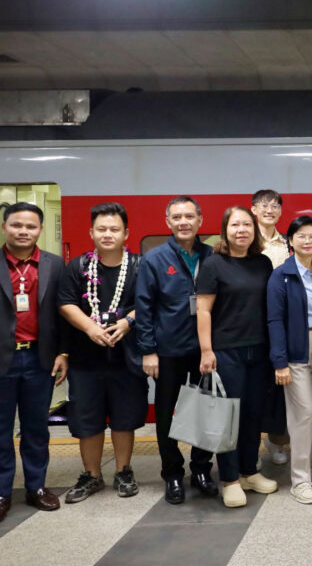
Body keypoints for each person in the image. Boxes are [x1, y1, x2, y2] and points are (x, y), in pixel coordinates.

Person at [0, 202, 66, 524]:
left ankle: (36, 487)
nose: (23, 231)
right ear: (5, 227)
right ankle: (0, 493)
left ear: (40, 230)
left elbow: (62, 315)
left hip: (39, 359)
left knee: (36, 431)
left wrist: (64, 353)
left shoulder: (54, 265)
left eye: (31, 226)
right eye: (17, 225)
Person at [59, 202, 146, 504]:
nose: (108, 234)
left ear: (126, 233)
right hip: (86, 358)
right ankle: (91, 475)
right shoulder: (78, 267)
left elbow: (149, 302)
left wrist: (128, 322)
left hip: (126, 357)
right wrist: (90, 328)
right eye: (102, 229)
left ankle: (124, 471)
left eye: (114, 229)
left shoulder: (139, 265)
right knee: (87, 419)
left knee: (124, 418)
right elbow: (67, 303)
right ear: (91, 232)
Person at [135, 196, 217, 504]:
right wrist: (148, 350)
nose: (183, 222)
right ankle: (172, 474)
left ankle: (201, 470)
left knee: (204, 411)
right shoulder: (154, 259)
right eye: (177, 217)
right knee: (168, 415)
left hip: (206, 349)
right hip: (168, 350)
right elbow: (144, 307)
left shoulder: (212, 255)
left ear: (200, 220)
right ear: (167, 222)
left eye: (189, 216)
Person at [196, 206, 279, 507]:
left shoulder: (263, 263)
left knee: (253, 414)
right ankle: (230, 479)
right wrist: (207, 350)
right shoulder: (213, 264)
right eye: (235, 225)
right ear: (225, 230)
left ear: (254, 230)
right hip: (225, 352)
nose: (241, 229)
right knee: (227, 418)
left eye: (247, 224)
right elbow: (203, 309)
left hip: (260, 351)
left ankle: (249, 471)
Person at [268, 216, 312, 504]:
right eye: (301, 236)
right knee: (303, 412)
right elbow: (274, 320)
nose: (308, 240)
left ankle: (310, 469)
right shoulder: (280, 275)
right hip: (296, 347)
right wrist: (280, 362)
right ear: (291, 241)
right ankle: (299, 480)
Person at [251, 189, 291, 466]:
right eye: (264, 205)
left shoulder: (288, 243)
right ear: (253, 209)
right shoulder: (243, 240)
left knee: (281, 388)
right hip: (250, 325)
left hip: (283, 325)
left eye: (275, 205)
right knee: (253, 387)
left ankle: (278, 441)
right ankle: (248, 445)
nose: (270, 209)